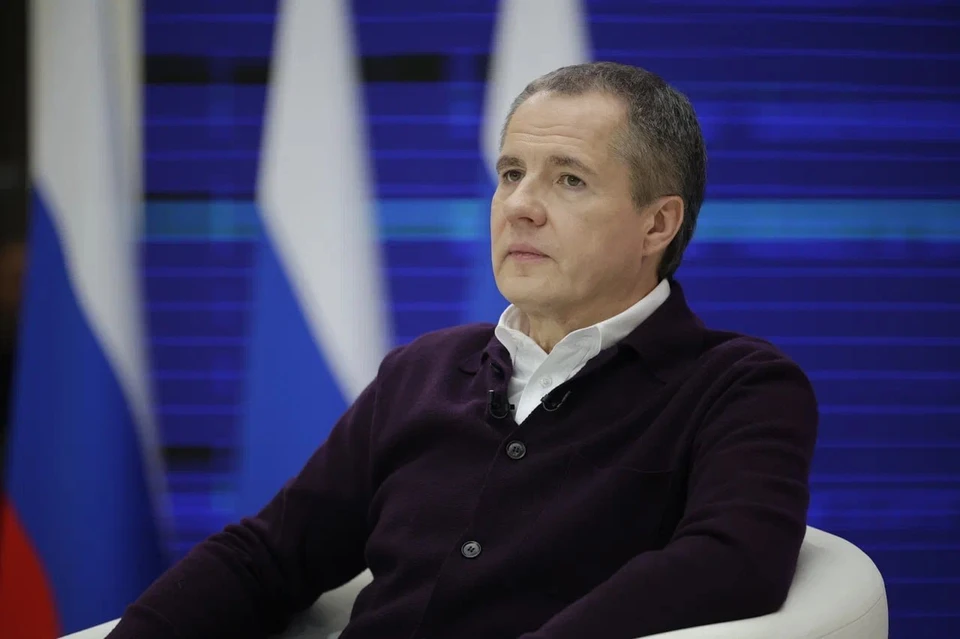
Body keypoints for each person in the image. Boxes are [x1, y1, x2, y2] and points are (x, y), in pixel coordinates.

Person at [108, 62, 818, 639]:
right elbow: (267, 556)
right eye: (510, 174)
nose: (520, 206)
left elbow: (733, 561)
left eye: (569, 179)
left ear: (657, 224)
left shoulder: (739, 387)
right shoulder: (420, 370)